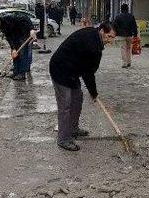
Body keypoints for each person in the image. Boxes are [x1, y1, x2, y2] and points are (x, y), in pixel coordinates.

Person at [49, 22, 116, 151]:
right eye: (109, 36)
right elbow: (89, 73)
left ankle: (73, 129)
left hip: (73, 70)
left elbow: (87, 70)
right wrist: (93, 93)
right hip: (60, 69)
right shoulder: (92, 45)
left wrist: (92, 92)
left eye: (113, 37)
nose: (110, 41)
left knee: (78, 98)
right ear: (102, 31)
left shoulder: (95, 37)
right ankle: (63, 139)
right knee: (65, 105)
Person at [0, 13, 36, 81]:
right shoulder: (2, 27)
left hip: (24, 33)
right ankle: (16, 72)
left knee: (23, 54)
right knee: (14, 55)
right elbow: (9, 38)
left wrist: (31, 29)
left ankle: (21, 74)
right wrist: (13, 48)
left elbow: (25, 18)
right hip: (15, 37)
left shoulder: (11, 18)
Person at [113, 3, 138, 68]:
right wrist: (135, 35)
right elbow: (134, 26)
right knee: (129, 48)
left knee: (123, 48)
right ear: (127, 9)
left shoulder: (118, 16)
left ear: (121, 9)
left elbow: (114, 26)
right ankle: (129, 62)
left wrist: (115, 33)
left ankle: (124, 63)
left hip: (121, 35)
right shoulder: (131, 16)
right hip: (130, 35)